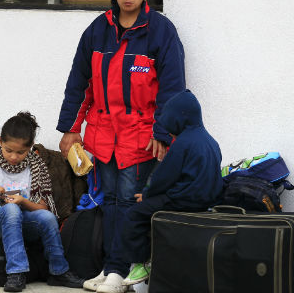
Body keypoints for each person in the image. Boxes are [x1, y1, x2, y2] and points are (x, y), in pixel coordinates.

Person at [56, 0, 186, 291]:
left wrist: (162, 132)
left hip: (140, 138)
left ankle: (125, 270)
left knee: (131, 204)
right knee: (109, 202)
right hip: (103, 137)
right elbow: (79, 83)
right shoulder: (97, 30)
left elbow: (172, 88)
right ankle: (111, 268)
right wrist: (72, 129)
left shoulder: (161, 31)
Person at [94, 90, 224, 292]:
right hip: (206, 201)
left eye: (170, 126)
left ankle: (140, 263)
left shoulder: (182, 143)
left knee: (135, 214)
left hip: (183, 200)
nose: (170, 133)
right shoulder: (211, 142)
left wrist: (146, 195)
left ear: (179, 120)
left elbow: (163, 178)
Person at [0, 112, 85, 292]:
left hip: (21, 220)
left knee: (46, 217)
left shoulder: (36, 167)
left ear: (30, 147)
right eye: (8, 150)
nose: (14, 157)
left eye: (20, 152)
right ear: (0, 141)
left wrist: (23, 201)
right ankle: (16, 273)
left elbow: (42, 208)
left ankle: (58, 271)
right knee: (10, 211)